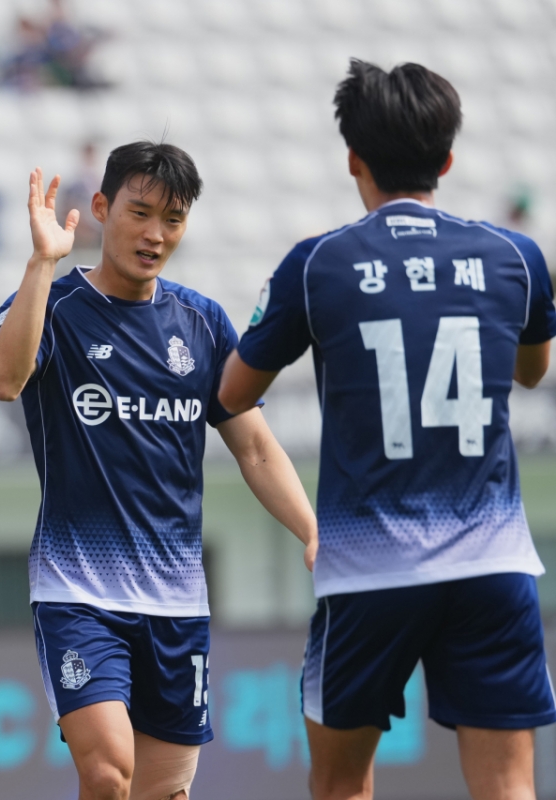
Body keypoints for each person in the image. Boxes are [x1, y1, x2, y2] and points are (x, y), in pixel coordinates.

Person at [218, 60, 556, 800]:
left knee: (341, 786)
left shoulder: (318, 264)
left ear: (353, 160)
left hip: (370, 571)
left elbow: (234, 392)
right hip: (491, 564)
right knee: (508, 787)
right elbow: (533, 370)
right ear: (448, 160)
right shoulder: (516, 257)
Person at [0, 142, 318, 800]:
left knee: (163, 792)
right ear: (101, 208)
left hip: (177, 603)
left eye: (173, 219)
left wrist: (310, 531)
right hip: (79, 593)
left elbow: (254, 447)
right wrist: (42, 263)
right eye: (140, 213)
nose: (155, 234)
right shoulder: (53, 305)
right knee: (109, 771)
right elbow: (1, 380)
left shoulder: (202, 323)